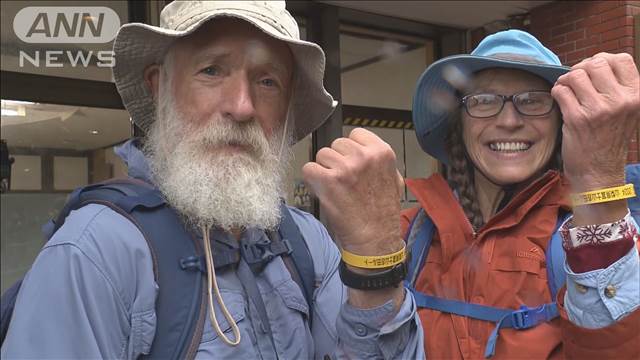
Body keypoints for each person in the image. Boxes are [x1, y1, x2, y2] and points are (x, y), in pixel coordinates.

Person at [0, 1, 423, 359]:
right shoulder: (94, 254)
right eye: (211, 71)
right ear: (159, 85)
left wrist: (376, 257)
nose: (242, 107)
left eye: (267, 81)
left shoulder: (307, 241)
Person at [395, 29, 639, 358]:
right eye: (483, 101)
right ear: (459, 125)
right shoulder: (410, 233)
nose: (509, 121)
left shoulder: (593, 235)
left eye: (532, 101)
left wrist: (599, 183)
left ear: (561, 123)